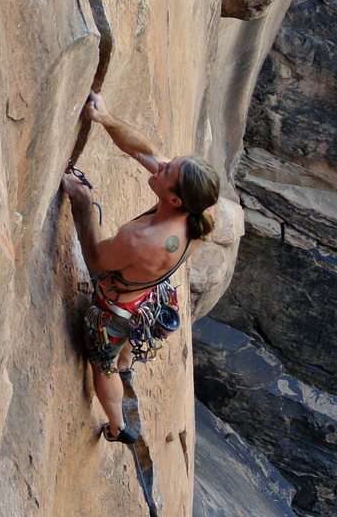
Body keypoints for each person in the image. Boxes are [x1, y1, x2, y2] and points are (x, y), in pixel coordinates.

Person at [61, 91, 220, 444]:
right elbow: (143, 151)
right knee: (123, 342)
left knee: (101, 366)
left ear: (174, 198)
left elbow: (96, 259)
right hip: (149, 295)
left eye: (167, 170)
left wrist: (83, 204)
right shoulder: (199, 212)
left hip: (115, 310)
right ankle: (127, 359)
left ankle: (118, 426)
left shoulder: (142, 239)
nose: (160, 165)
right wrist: (107, 118)